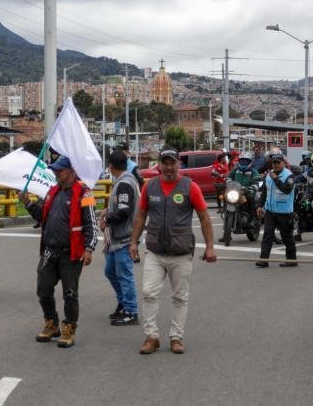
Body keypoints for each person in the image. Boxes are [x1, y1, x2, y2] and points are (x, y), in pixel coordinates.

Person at [130, 148, 217, 355]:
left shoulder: (191, 187)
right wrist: (133, 242)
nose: (168, 167)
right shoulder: (150, 186)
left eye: (172, 163)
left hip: (180, 253)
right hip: (155, 252)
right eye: (164, 163)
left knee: (179, 297)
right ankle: (152, 337)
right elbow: (141, 215)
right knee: (149, 293)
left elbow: (205, 217)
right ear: (159, 164)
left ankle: (176, 337)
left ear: (179, 164)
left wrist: (210, 248)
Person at [19, 156, 97, 349]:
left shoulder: (84, 193)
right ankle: (51, 322)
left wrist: (89, 248)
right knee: (43, 289)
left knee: (70, 293)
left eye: (60, 170)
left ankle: (69, 328)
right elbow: (42, 217)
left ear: (71, 170)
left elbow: (92, 224)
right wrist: (28, 203)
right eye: (55, 170)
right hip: (49, 251)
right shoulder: (51, 192)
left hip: (71, 253)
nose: (56, 173)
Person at [101, 149, 139, 326]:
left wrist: (107, 219)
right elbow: (120, 207)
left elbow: (124, 211)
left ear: (110, 166)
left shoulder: (124, 183)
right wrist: (108, 211)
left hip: (124, 238)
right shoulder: (122, 181)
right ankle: (123, 303)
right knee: (110, 271)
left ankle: (131, 311)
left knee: (124, 275)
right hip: (117, 238)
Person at [256, 152, 298, 267]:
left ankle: (292, 260)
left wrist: (275, 179)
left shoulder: (289, 176)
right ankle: (263, 260)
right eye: (273, 163)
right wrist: (260, 205)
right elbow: (265, 191)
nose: (275, 165)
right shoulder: (269, 175)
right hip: (270, 211)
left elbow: (286, 190)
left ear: (283, 163)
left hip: (284, 212)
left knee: (287, 237)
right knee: (267, 236)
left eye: (278, 162)